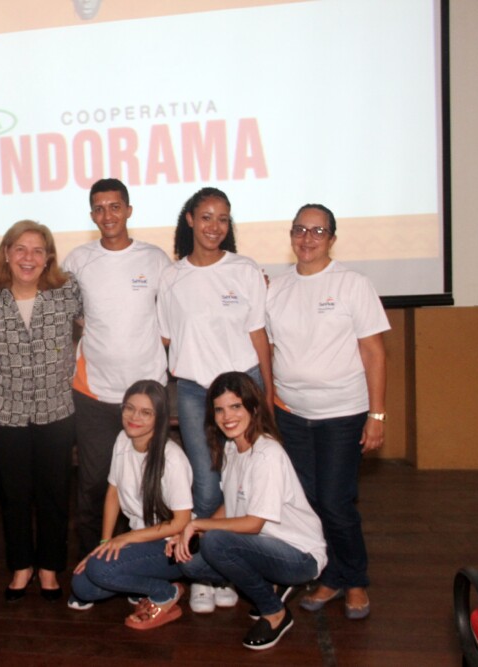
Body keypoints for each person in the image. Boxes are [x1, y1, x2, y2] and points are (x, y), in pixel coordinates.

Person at [265, 203, 389, 620]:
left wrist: (377, 415)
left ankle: (355, 581)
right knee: (312, 502)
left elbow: (374, 352)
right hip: (291, 414)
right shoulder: (276, 289)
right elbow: (269, 349)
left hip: (343, 414)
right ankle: (331, 576)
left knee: (336, 503)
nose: (307, 238)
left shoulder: (353, 284)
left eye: (318, 231)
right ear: (291, 234)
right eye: (300, 229)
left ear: (332, 239)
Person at [156, 187, 273, 613]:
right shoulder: (172, 277)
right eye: (206, 217)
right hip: (193, 391)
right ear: (189, 219)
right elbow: (166, 339)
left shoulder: (244, 270)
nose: (214, 226)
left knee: (245, 485)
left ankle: (230, 569)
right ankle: (204, 574)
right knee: (206, 486)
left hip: (242, 389)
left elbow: (259, 337)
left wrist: (267, 396)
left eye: (223, 218)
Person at [172, 372, 327, 651]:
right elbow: (229, 505)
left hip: (300, 554)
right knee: (189, 560)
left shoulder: (267, 454)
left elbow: (254, 523)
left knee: (216, 542)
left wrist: (198, 526)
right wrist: (190, 531)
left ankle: (274, 612)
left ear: (254, 408)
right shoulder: (232, 448)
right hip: (263, 547)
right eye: (219, 409)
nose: (227, 417)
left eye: (235, 406)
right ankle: (273, 585)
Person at [62, 178, 171, 557]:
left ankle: (147, 564)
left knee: (149, 486)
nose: (107, 215)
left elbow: (174, 313)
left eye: (114, 207)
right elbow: (68, 315)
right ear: (92, 215)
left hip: (147, 395)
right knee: (93, 485)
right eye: (99, 208)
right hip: (94, 395)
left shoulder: (155, 259)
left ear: (128, 210)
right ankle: (92, 563)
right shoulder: (77, 260)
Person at [0, 220, 82, 601]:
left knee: (55, 494)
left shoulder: (67, 291)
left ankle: (50, 568)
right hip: (6, 411)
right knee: (13, 495)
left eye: (38, 250)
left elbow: (97, 325)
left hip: (56, 409)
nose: (28, 257)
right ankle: (21, 567)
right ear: (6, 253)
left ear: (49, 257)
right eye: (20, 248)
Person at [68, 380, 192, 630]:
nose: (134, 417)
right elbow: (113, 492)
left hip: (170, 546)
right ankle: (138, 584)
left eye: (146, 412)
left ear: (160, 417)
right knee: (81, 586)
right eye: (129, 408)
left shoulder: (172, 459)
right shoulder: (123, 439)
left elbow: (181, 522)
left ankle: (164, 592)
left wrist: (124, 539)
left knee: (100, 571)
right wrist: (104, 543)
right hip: (139, 539)